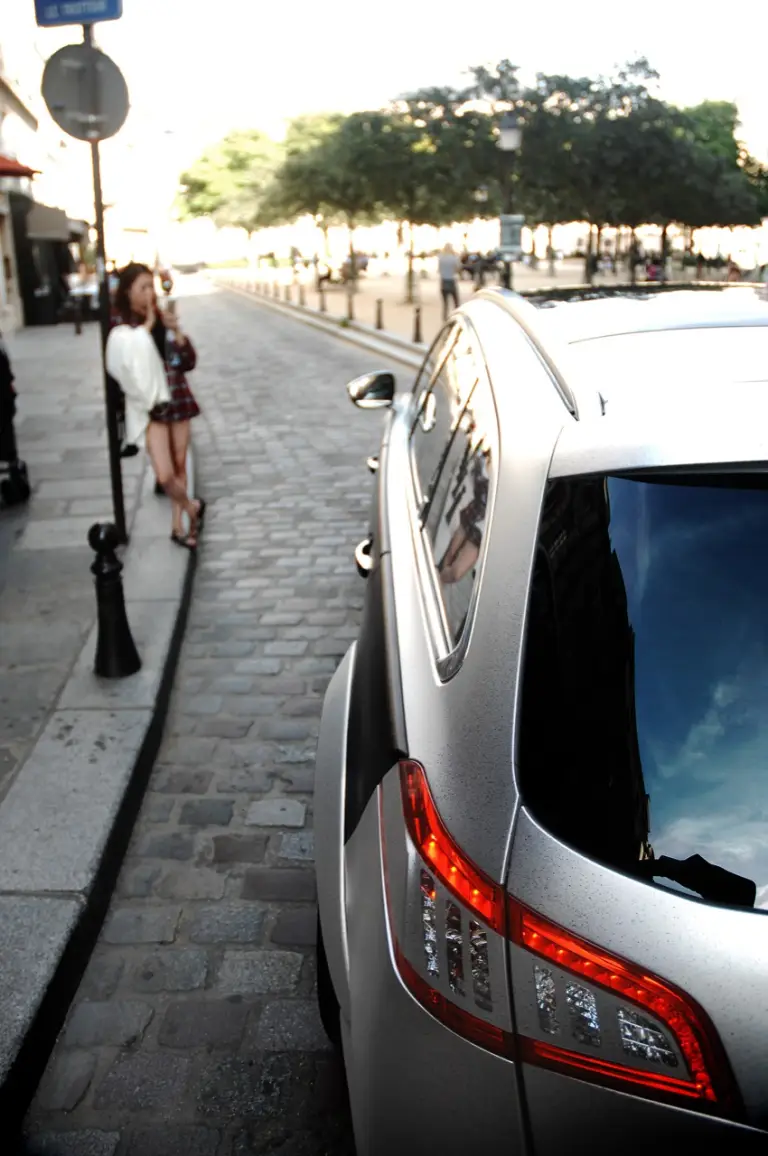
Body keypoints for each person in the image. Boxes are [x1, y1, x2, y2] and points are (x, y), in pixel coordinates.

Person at [106, 263, 205, 550]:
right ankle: (191, 507)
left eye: (152, 286)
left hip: (176, 398)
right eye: (143, 287)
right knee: (164, 474)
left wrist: (177, 334)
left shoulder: (161, 317)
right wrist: (147, 327)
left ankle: (179, 526)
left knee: (179, 462)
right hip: (148, 405)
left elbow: (188, 362)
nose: (150, 293)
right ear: (128, 292)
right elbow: (122, 362)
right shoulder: (121, 324)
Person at [438, 243, 460, 320]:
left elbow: (439, 270)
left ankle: (444, 318)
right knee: (456, 301)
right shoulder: (454, 258)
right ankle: (457, 317)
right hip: (451, 281)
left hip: (443, 281)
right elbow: (457, 269)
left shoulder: (441, 258)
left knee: (445, 303)